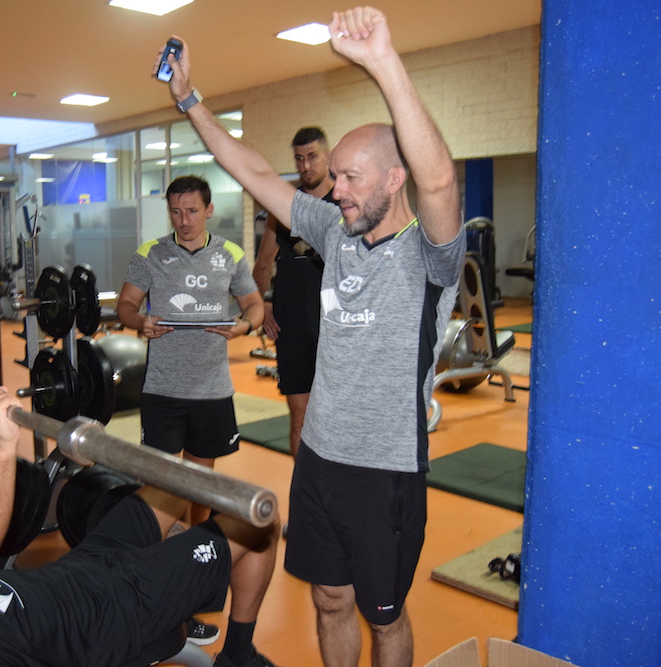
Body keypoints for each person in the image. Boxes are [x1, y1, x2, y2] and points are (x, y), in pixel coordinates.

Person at [156, 7, 464, 666]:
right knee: (328, 599)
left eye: (352, 178)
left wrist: (383, 60)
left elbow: (440, 179)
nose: (337, 190)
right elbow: (255, 173)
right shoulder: (334, 231)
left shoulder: (428, 256)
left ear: (394, 177)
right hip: (320, 459)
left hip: (385, 472)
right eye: (337, 178)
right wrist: (190, 101)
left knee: (386, 618)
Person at [0, 342, 280, 667]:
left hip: (86, 566)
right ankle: (238, 657)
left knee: (179, 480)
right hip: (114, 614)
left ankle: (186, 576)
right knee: (259, 521)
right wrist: (4, 450)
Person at [116, 175, 264, 531]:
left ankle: (195, 545)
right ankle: (160, 546)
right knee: (163, 482)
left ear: (209, 210)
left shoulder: (230, 254)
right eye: (176, 212)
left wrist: (245, 325)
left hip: (210, 389)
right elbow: (126, 304)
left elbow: (255, 305)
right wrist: (139, 321)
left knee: (200, 482)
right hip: (162, 389)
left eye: (192, 211)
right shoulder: (150, 253)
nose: (184, 220)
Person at [251, 127, 335, 460]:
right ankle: (305, 505)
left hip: (335, 329)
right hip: (294, 329)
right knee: (300, 416)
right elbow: (262, 266)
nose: (305, 166)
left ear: (328, 155)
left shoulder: (344, 205)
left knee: (333, 419)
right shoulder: (285, 208)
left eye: (312, 156)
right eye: (299, 159)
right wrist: (263, 306)